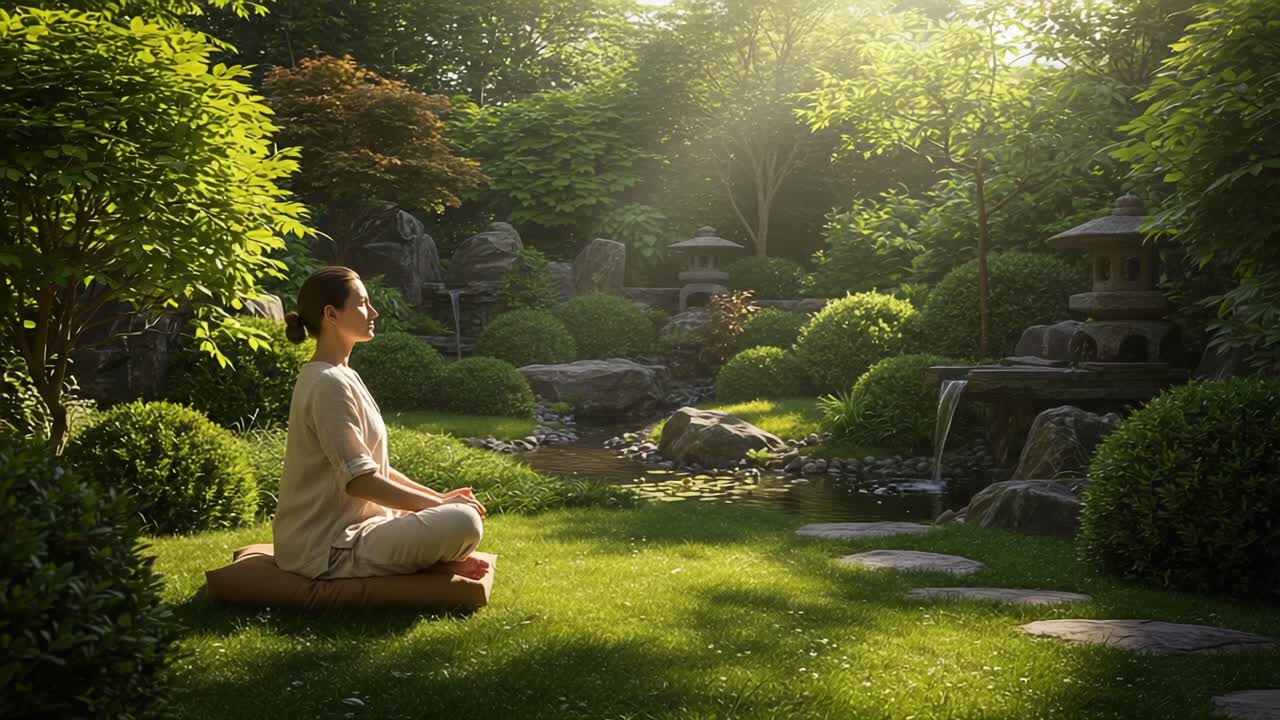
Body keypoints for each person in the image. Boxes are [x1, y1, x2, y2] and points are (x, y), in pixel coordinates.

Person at [273, 266, 490, 581]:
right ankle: (429, 563)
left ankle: (430, 561)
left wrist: (440, 499)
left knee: (458, 511)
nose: (373, 311)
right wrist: (437, 505)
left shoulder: (343, 376)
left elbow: (372, 468)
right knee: (463, 522)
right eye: (362, 303)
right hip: (326, 546)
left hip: (360, 528)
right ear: (331, 315)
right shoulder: (327, 383)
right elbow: (360, 482)